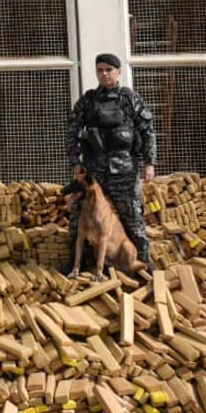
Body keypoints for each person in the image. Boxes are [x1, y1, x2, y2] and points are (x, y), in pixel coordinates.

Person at [65, 53, 156, 272]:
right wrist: (75, 162)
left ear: (118, 72)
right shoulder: (88, 101)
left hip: (124, 169)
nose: (104, 74)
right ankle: (76, 265)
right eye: (100, 70)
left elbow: (147, 131)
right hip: (94, 171)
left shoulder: (130, 99)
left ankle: (143, 264)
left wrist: (149, 162)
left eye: (109, 70)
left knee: (132, 217)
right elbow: (72, 131)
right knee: (79, 217)